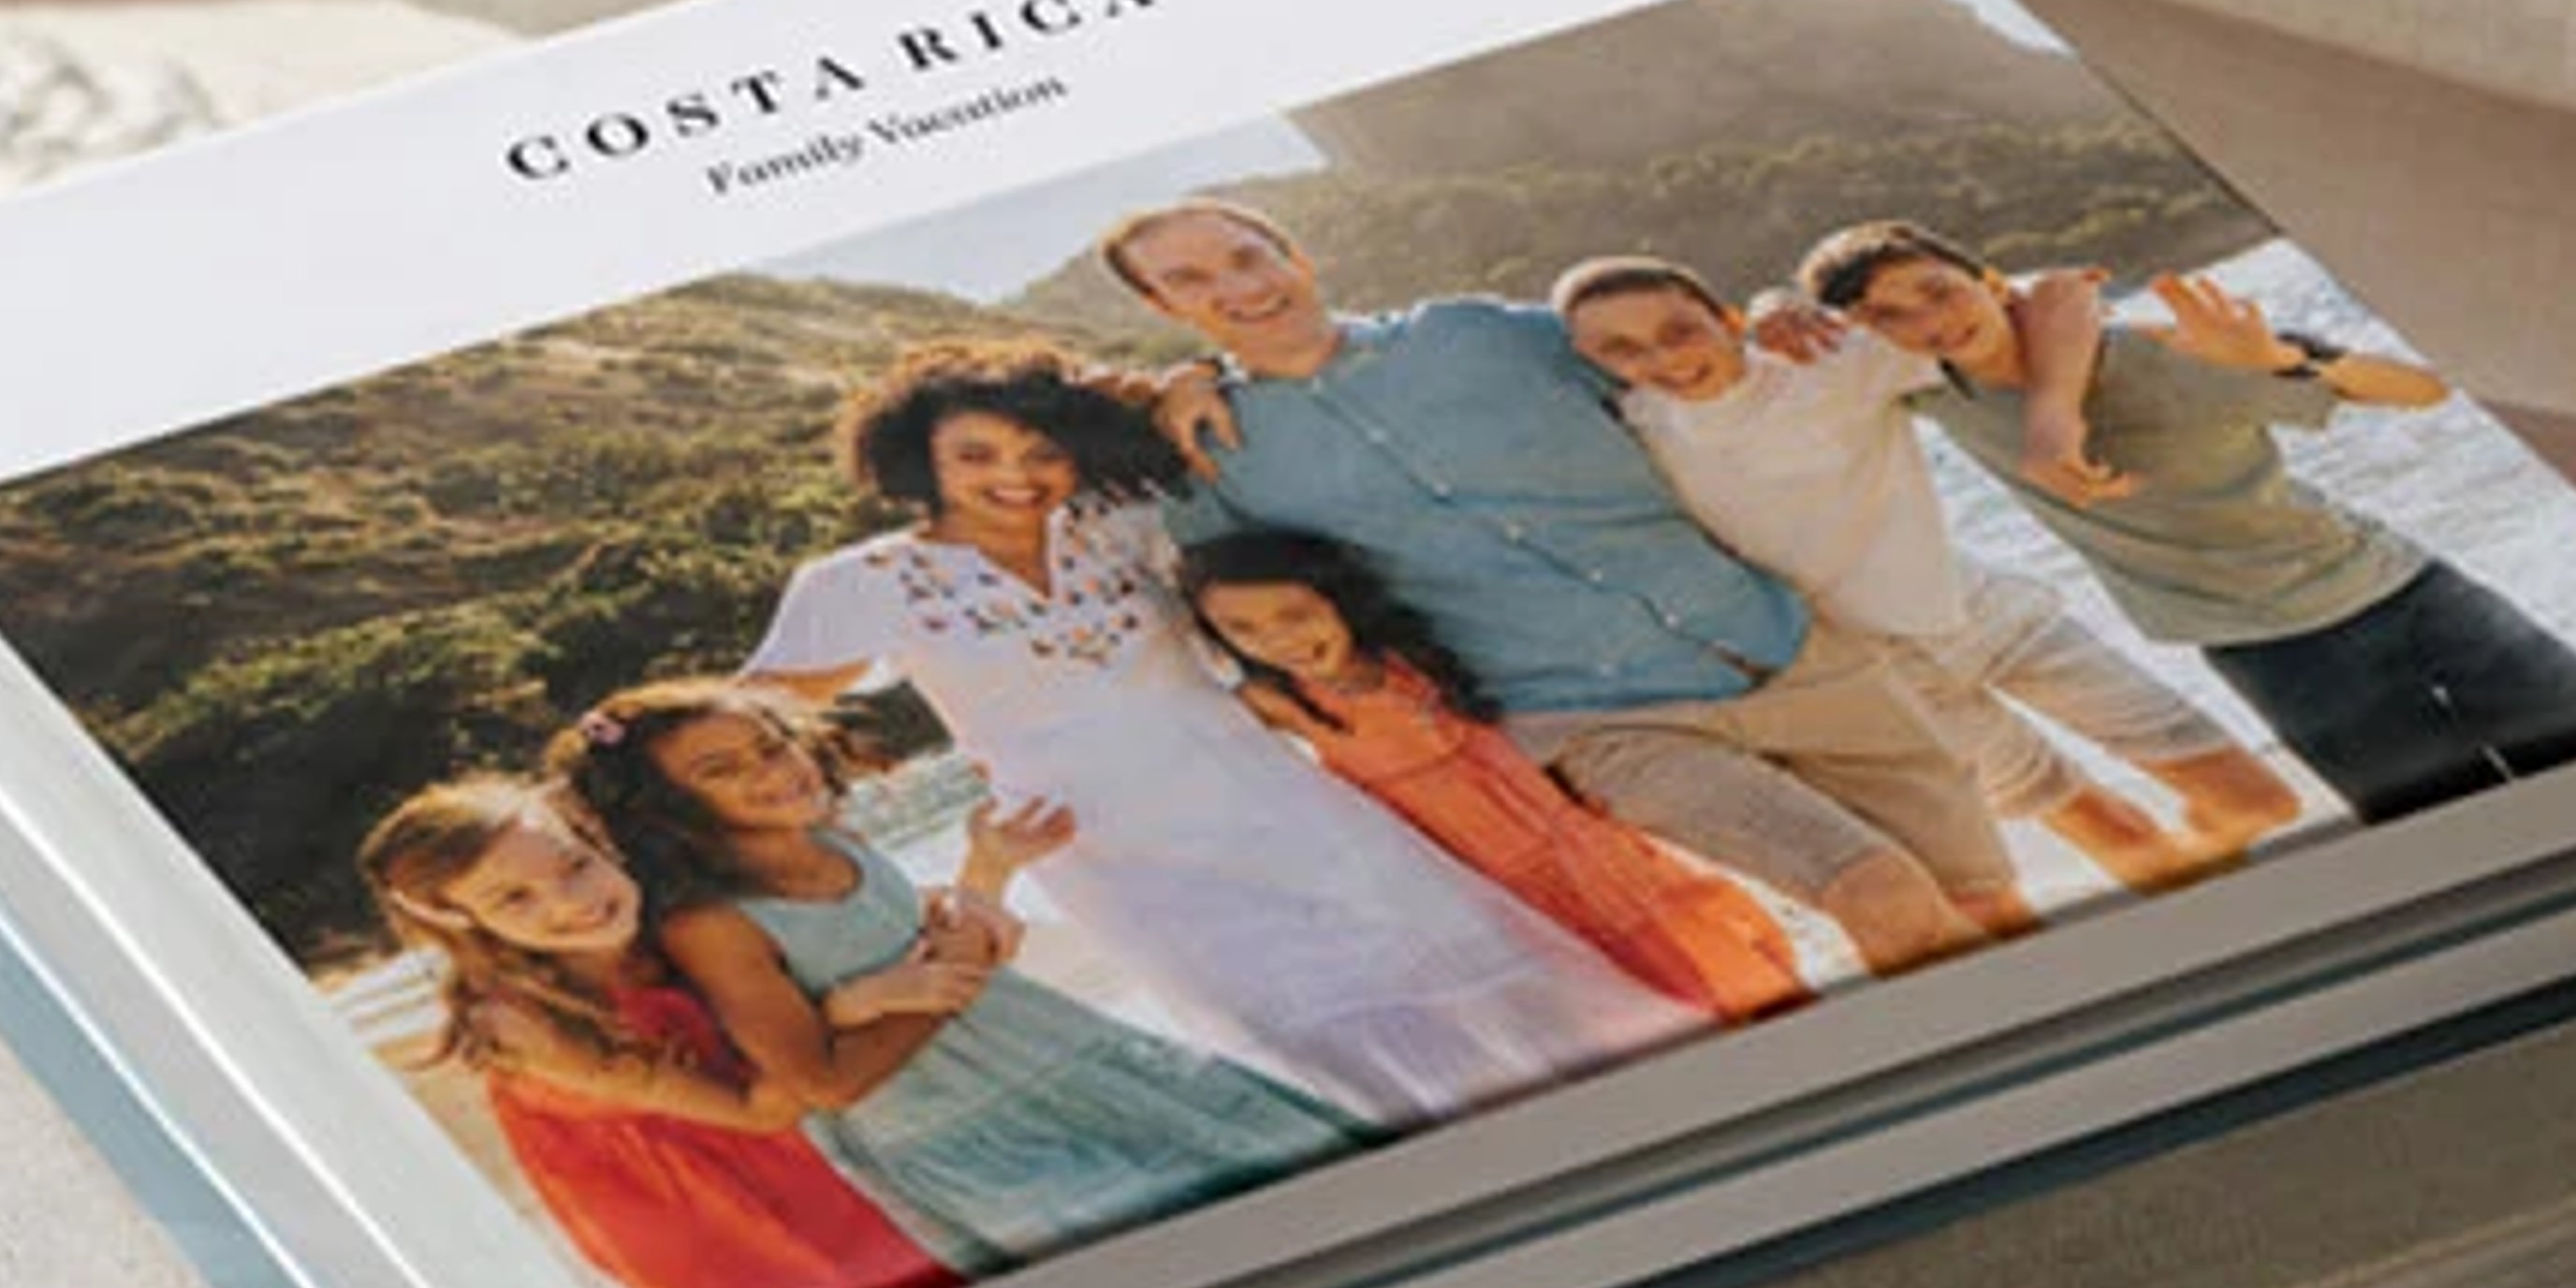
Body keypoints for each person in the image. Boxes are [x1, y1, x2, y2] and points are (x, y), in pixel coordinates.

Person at [748, 342, 1709, 1117]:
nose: (1016, 477)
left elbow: (1209, 446)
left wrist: (1186, 377)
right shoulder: (862, 583)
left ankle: (1672, 1120)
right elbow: (751, 720)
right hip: (1116, 853)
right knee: (1331, 1043)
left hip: (1276, 794)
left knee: (1475, 966)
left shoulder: (1119, 520)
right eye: (977, 456)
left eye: (1041, 451)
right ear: (920, 459)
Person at [1099, 198, 2028, 973]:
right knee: (1875, 889)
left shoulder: (1480, 336)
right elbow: (1249, 630)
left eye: (1246, 256)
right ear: (1158, 306)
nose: (1238, 287)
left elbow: (1685, 345)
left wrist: (1784, 305)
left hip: (1783, 642)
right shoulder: (1211, 456)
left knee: (1989, 900)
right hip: (1595, 722)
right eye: (1190, 281)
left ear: (1292, 252)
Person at [1794, 223, 2576, 823]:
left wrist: (2284, 358)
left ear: (1989, 281)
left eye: (1936, 292)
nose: (1925, 323)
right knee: (2451, 834)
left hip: (2407, 596)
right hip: (2270, 654)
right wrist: (1774, 313)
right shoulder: (1929, 391)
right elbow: (1774, 340)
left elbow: (2422, 388)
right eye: (1886, 318)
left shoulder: (2165, 357)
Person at [556, 682, 1363, 1273]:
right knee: (1192, 1285)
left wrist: (987, 874)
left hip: (1072, 1058)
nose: (772, 771)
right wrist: (955, 966)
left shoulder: (840, 843)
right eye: (721, 770)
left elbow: (945, 949)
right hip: (969, 1136)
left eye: (772, 744)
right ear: (667, 809)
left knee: (1328, 1209)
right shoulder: (712, 922)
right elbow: (823, 1082)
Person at [1549, 253, 2302, 878]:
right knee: (2123, 843)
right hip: (1888, 678)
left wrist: (2054, 417)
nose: (1662, 359)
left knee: (2259, 803)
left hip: (1990, 616)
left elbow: (2037, 301)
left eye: (1680, 329)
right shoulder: (1627, 440)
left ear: (1729, 319)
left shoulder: (1832, 360)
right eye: (1621, 349)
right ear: (1593, 362)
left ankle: (2218, 868)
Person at [355, 774, 960, 1288]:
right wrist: (838, 1010)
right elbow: (763, 1107)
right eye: (514, 899)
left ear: (597, 841)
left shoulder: (671, 937)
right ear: (458, 922)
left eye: (575, 865)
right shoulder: (524, 1026)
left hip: (802, 1184)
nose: (572, 901)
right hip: (699, 1246)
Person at [1177, 527, 1808, 1023]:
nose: (1277, 639)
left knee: (1741, 981)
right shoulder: (1291, 708)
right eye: (1243, 629)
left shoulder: (1419, 659)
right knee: (1657, 1021)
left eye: (1294, 613)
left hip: (1599, 856)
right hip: (1513, 901)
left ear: (1337, 599)